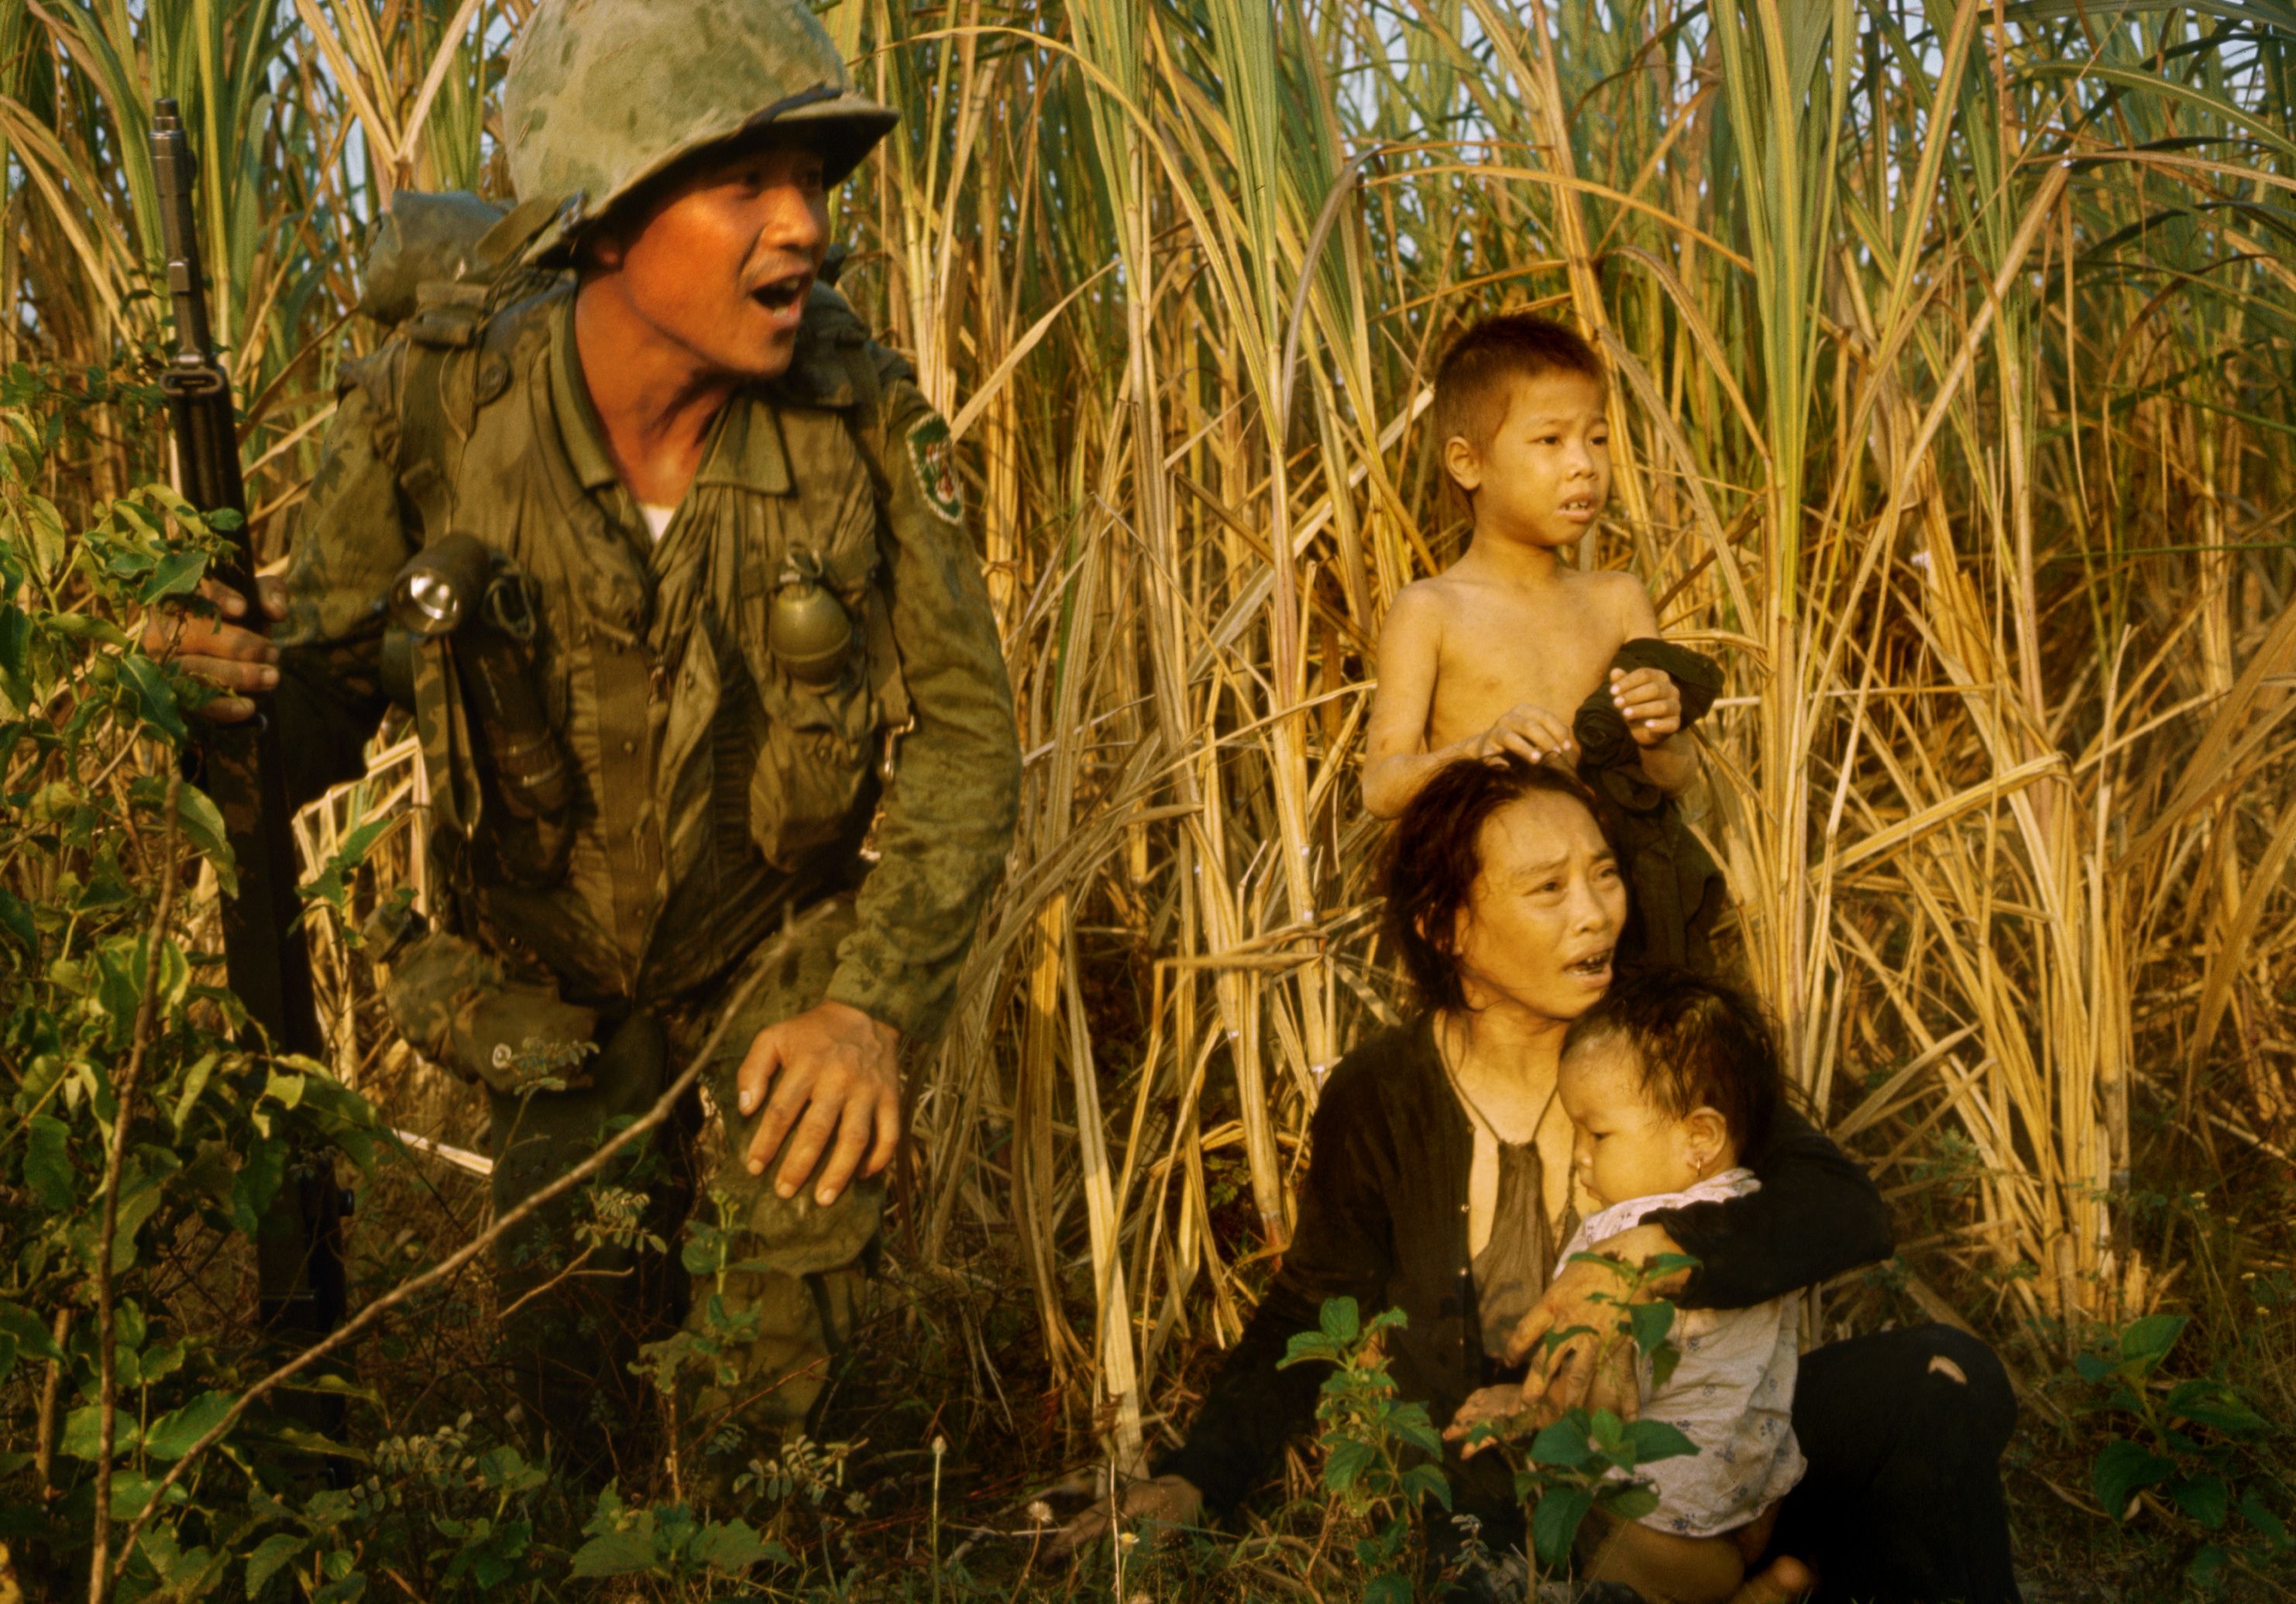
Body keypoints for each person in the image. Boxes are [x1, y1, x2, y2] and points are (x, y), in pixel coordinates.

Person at [144, 0, 1022, 1493]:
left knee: (769, 1468)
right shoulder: (441, 402)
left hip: (772, 967)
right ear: (607, 218)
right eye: (746, 184)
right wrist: (207, 692)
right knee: (570, 1446)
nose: (804, 230)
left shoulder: (857, 415)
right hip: (540, 989)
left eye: (814, 183)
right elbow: (316, 715)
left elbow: (965, 735)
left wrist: (869, 1009)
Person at [1055, 758, 2022, 1604]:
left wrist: (1655, 1252)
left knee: (1946, 1374)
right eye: (1548, 888)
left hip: (1719, 1465)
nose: (1597, 911)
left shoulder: (1655, 1050)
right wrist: (1198, 1479)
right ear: (1448, 923)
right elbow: (1311, 1301)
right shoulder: (1383, 1095)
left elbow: (1844, 1208)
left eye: (1603, 874)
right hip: (1519, 1491)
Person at [1363, 314, 1726, 968]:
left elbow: (1673, 779)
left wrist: (1664, 731)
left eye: (1597, 438)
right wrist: (1474, 752)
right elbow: (1383, 786)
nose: (1583, 465)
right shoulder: (1432, 609)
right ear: (1467, 462)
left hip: (1622, 906)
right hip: (1506, 914)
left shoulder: (1617, 600)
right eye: (1550, 440)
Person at [1449, 969, 1810, 1604]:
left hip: (1666, 1517)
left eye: (1598, 1133)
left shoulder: (1622, 1235)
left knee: (1574, 1525)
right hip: (1757, 1495)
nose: (1580, 1154)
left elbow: (1590, 1379)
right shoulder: (1751, 1211)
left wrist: (1526, 1402)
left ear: (1699, 1136)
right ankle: (1764, 1587)